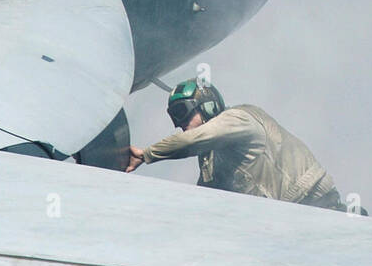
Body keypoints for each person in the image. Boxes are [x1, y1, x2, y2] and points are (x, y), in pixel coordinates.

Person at [127, 79, 350, 212]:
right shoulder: (211, 158)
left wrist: (146, 155)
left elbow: (190, 141)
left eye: (182, 113)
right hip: (286, 221)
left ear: (208, 107)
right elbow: (204, 200)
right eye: (174, 118)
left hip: (316, 206)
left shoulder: (238, 119)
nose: (180, 125)